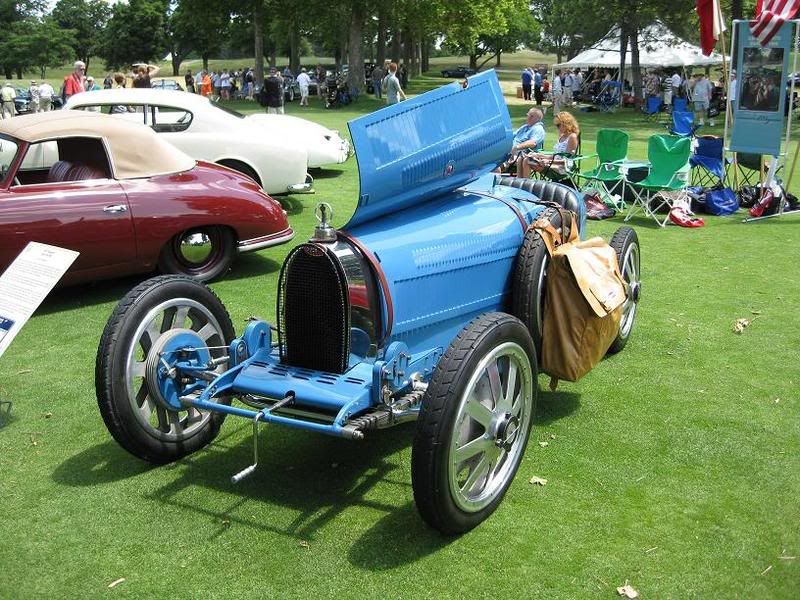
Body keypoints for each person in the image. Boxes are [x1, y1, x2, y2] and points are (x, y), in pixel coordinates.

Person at [521, 111, 580, 179]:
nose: (557, 128)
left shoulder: (572, 137)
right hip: (553, 163)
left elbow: (567, 160)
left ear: (566, 124)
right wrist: (539, 155)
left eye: (558, 125)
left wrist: (548, 161)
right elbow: (556, 155)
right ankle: (519, 183)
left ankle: (525, 185)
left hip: (562, 168)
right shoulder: (562, 136)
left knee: (527, 161)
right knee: (524, 158)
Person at [498, 108, 546, 174]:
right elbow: (511, 136)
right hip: (509, 151)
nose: (528, 117)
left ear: (537, 119)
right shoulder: (525, 127)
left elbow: (533, 143)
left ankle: (498, 173)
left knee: (495, 167)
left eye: (531, 116)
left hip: (521, 154)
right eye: (528, 115)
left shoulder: (538, 129)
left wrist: (516, 147)